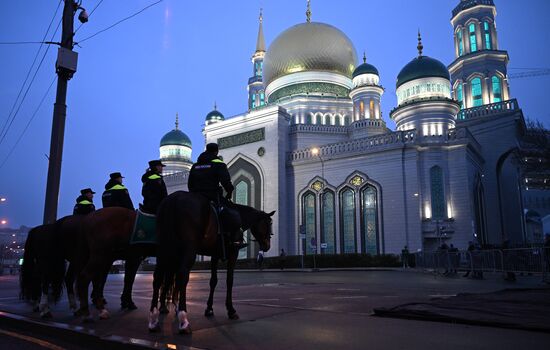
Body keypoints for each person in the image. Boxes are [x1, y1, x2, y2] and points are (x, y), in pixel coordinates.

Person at [188, 143, 245, 248]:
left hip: (195, 196)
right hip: (211, 196)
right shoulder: (218, 163)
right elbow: (225, 181)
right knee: (232, 212)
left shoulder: (195, 165)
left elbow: (190, 184)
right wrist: (229, 191)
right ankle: (234, 241)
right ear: (216, 152)